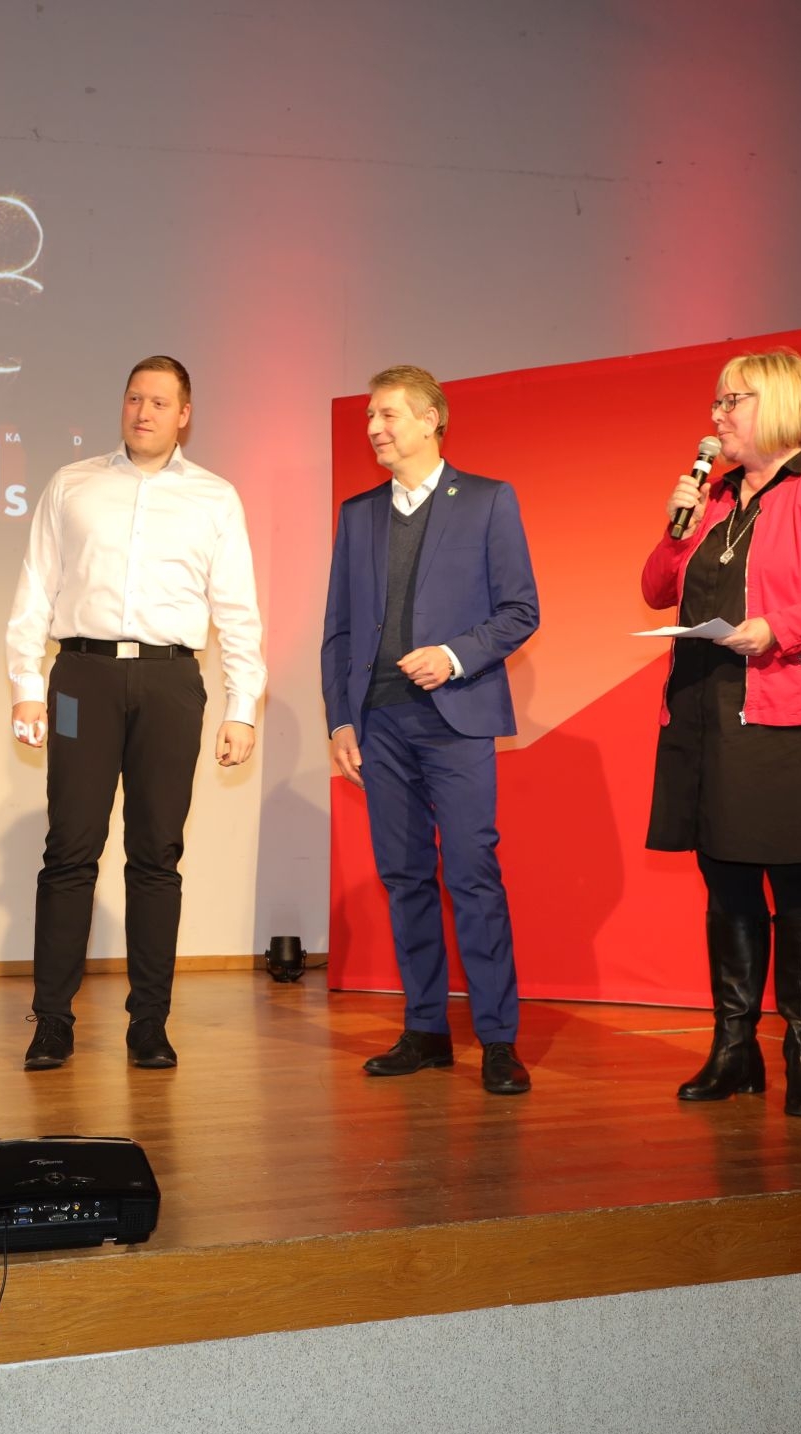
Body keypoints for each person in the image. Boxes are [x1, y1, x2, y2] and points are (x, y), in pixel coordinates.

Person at [642, 348, 801, 1118]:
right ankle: (735, 1048)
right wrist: (679, 525)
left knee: (797, 878)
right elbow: (656, 588)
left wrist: (778, 628)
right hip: (705, 709)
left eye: (734, 400)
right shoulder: (714, 496)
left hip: (794, 708)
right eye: (716, 401)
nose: (717, 414)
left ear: (781, 404)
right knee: (724, 875)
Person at [5, 355, 265, 1071]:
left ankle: (149, 1022)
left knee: (157, 855)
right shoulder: (73, 484)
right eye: (133, 398)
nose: (143, 412)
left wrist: (242, 706)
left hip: (171, 682)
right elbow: (35, 589)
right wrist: (26, 682)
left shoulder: (215, 498)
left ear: (185, 415)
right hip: (80, 679)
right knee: (69, 850)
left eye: (159, 402)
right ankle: (52, 1021)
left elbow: (237, 611)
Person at [321, 366, 540, 1095]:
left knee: (472, 873)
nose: (374, 428)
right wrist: (341, 718)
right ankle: (425, 1030)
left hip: (457, 718)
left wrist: (453, 656)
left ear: (429, 419)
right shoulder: (358, 515)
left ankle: (499, 1039)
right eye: (370, 418)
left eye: (387, 415)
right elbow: (338, 630)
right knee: (405, 876)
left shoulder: (487, 500)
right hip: (379, 723)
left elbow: (520, 611)